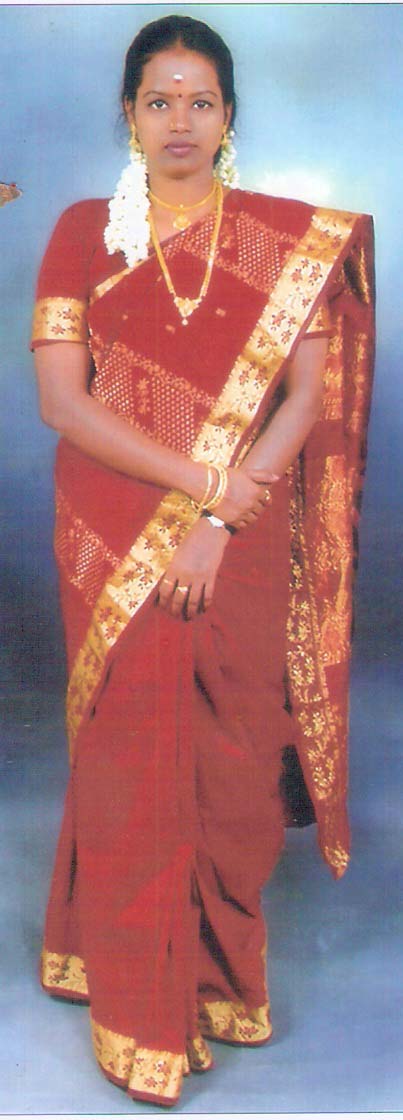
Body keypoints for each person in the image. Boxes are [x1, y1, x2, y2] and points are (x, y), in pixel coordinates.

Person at [32, 14, 375, 1108]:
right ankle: (139, 1007)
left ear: (229, 117)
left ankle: (220, 982)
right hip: (114, 524)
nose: (179, 120)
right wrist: (199, 483)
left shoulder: (285, 241)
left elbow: (306, 395)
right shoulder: (82, 230)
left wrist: (220, 516)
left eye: (200, 101)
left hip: (238, 531)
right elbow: (61, 403)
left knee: (228, 760)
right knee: (132, 758)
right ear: (128, 114)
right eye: (158, 100)